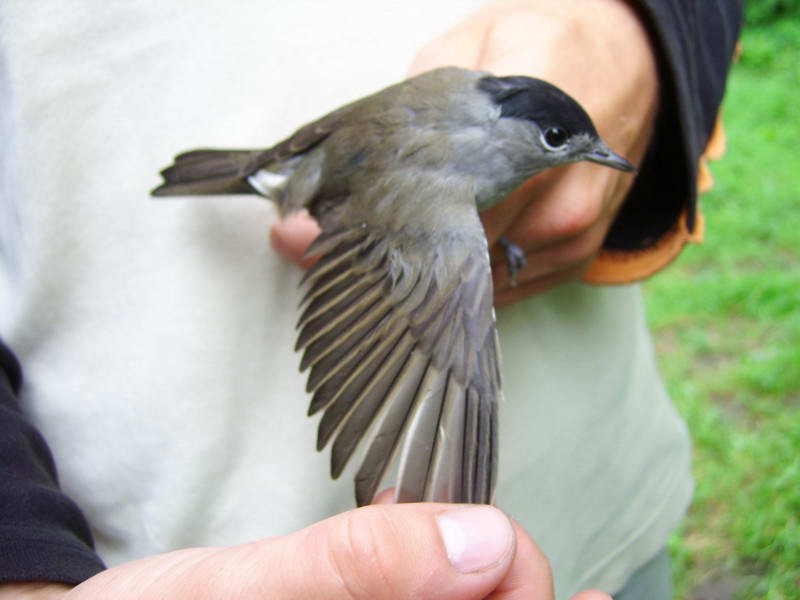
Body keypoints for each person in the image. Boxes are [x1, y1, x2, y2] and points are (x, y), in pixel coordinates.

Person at [0, 1, 742, 598]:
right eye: (557, 140)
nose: (591, 154)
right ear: (504, 127)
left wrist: (640, 24)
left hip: (610, 486)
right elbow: (433, 340)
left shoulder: (461, 94)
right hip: (182, 528)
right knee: (456, 294)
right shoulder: (442, 204)